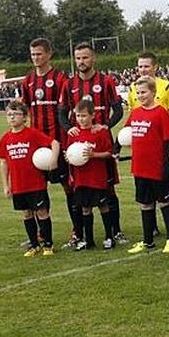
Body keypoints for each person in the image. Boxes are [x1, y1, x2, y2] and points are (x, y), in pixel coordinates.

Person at [58, 42, 126, 247]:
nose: (81, 61)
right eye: (78, 58)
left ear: (93, 58)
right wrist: (69, 128)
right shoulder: (69, 84)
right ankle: (80, 234)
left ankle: (116, 231)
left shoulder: (106, 81)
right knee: (79, 190)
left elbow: (118, 110)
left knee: (109, 189)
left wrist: (105, 126)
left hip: (101, 142)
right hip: (78, 143)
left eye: (85, 57)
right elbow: (62, 112)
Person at [22, 38, 80, 246]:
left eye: (39, 53)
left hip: (59, 141)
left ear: (49, 54)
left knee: (68, 186)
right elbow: (25, 109)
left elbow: (69, 109)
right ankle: (41, 234)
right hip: (37, 146)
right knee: (38, 188)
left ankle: (77, 230)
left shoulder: (60, 78)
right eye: (33, 54)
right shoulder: (27, 81)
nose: (36, 58)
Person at [0, 102, 59, 257]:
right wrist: (6, 186)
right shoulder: (5, 139)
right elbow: (4, 163)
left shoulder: (32, 134)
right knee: (27, 214)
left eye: (16, 114)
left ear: (24, 117)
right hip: (18, 185)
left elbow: (54, 143)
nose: (12, 117)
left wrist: (53, 160)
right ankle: (34, 245)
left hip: (36, 184)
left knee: (42, 212)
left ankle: (48, 245)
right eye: (9, 114)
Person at [124, 77, 169, 254]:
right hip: (139, 167)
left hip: (157, 166)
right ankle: (147, 241)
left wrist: (168, 164)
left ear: (153, 92)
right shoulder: (135, 112)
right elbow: (126, 132)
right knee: (145, 204)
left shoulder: (161, 112)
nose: (141, 96)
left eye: (144, 92)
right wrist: (116, 148)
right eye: (138, 93)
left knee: (164, 202)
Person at [65, 99, 116, 250]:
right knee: (85, 208)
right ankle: (89, 240)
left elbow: (109, 153)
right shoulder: (73, 134)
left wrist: (94, 155)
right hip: (81, 179)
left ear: (92, 115)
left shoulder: (100, 132)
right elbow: (70, 154)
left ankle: (109, 237)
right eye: (78, 116)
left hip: (97, 177)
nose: (81, 119)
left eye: (84, 116)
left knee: (103, 206)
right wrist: (69, 158)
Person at [126, 51, 169, 126]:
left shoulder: (167, 86)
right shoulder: (133, 87)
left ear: (155, 67)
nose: (143, 70)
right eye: (140, 67)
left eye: (146, 66)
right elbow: (131, 114)